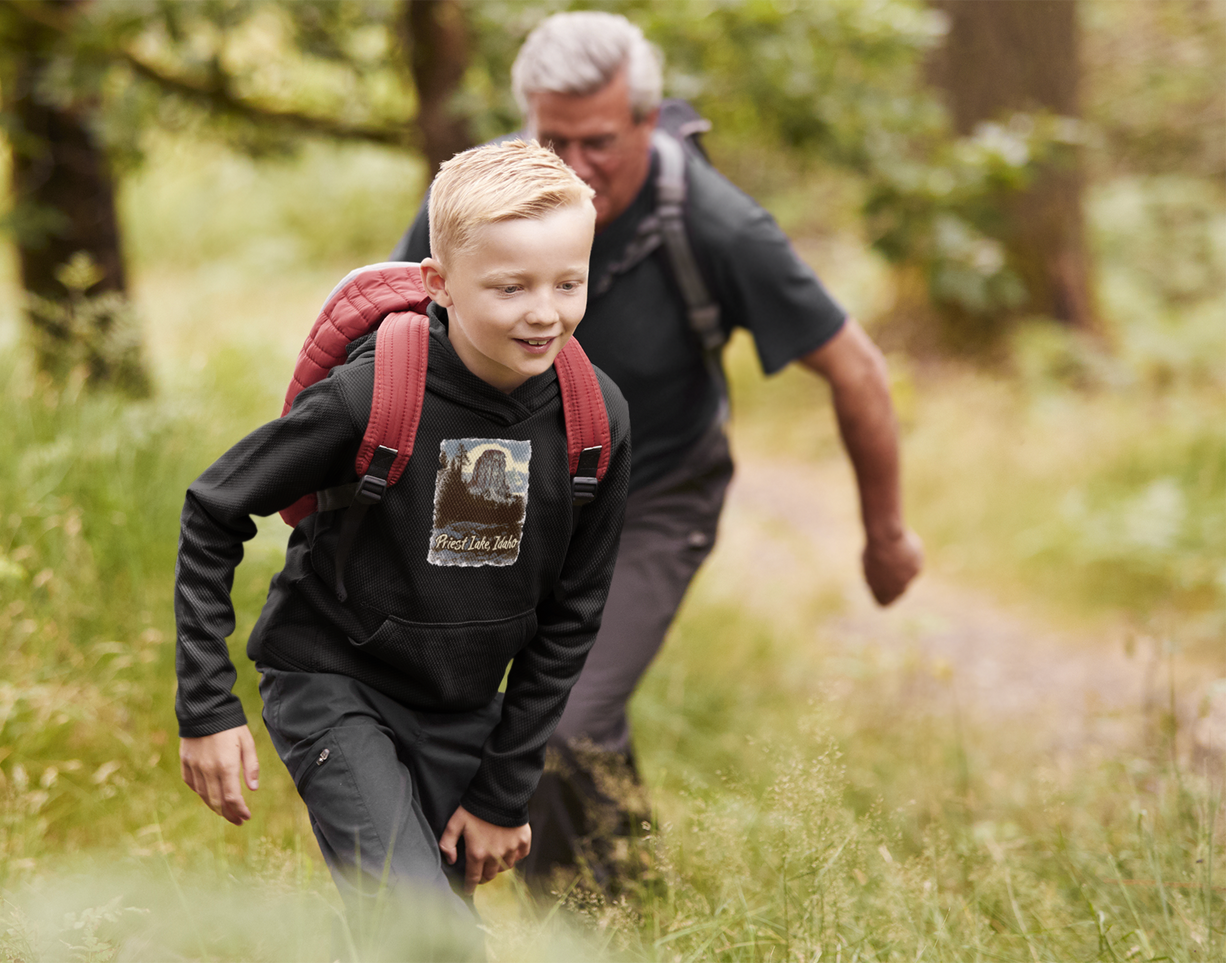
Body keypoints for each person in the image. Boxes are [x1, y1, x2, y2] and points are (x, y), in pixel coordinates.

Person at [391, 11, 924, 893]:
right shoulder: (481, 198)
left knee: (554, 719)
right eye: (549, 136)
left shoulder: (715, 226)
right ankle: (630, 896)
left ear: (649, 120)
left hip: (651, 494)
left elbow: (858, 369)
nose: (570, 164)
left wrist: (885, 534)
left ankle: (582, 927)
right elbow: (394, 322)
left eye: (596, 141)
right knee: (470, 702)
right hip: (501, 482)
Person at [172, 140, 632, 957]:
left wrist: (502, 790)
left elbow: (572, 617)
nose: (544, 312)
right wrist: (207, 705)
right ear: (438, 284)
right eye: (510, 286)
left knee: (406, 933)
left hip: (461, 705)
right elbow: (214, 510)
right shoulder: (368, 395)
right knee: (430, 938)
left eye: (569, 283)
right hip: (333, 680)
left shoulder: (595, 421)